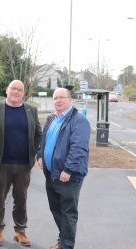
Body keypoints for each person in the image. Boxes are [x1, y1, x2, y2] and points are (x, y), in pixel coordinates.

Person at [0, 80, 42, 247]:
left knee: (21, 199)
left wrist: (33, 152)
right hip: (2, 163)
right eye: (13, 89)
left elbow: (38, 133)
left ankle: (20, 231)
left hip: (24, 164)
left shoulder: (31, 110)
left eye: (19, 90)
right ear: (7, 90)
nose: (16, 92)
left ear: (23, 93)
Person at [37, 88, 90, 249]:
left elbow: (78, 149)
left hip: (68, 175)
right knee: (57, 210)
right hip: (52, 174)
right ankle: (63, 241)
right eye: (55, 98)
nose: (58, 101)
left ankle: (66, 245)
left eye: (61, 98)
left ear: (70, 99)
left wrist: (68, 170)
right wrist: (39, 156)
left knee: (68, 213)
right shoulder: (52, 119)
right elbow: (44, 141)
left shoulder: (79, 120)